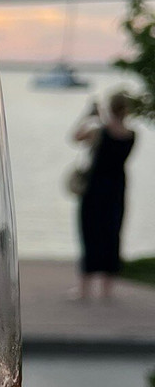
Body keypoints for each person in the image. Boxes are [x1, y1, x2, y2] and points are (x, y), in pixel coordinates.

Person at [72, 91, 136, 301]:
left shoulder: (100, 132)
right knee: (112, 235)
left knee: (89, 234)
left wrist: (88, 116)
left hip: (95, 188)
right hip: (116, 189)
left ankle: (84, 290)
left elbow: (75, 137)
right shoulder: (131, 135)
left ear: (111, 107)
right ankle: (107, 290)